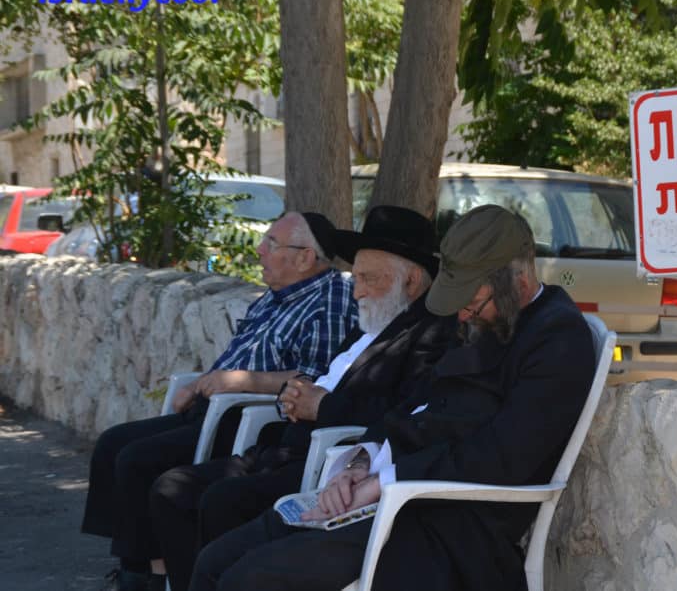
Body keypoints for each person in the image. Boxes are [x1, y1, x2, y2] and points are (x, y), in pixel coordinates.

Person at [189, 204, 597, 591]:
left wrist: (386, 482)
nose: (462, 316)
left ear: (518, 282)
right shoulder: (488, 319)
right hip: (393, 497)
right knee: (214, 560)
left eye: (471, 303)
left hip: (447, 522)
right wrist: (362, 462)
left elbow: (502, 457)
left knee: (253, 577)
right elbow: (417, 403)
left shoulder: (557, 340)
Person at [148, 205, 457, 591]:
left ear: (410, 281)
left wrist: (321, 406)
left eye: (367, 279)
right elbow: (327, 376)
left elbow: (400, 412)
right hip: (286, 444)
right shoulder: (373, 317)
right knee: (173, 488)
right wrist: (297, 396)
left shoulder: (429, 334)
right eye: (356, 277)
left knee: (220, 501)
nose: (357, 290)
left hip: (331, 461)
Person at [82, 211, 359, 591]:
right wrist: (198, 384)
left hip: (248, 416)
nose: (260, 251)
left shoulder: (329, 300)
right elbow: (236, 354)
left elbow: (314, 377)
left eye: (271, 244)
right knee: (114, 442)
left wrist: (243, 381)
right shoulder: (274, 297)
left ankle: (145, 576)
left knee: (139, 460)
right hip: (213, 406)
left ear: (304, 257)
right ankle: (140, 566)